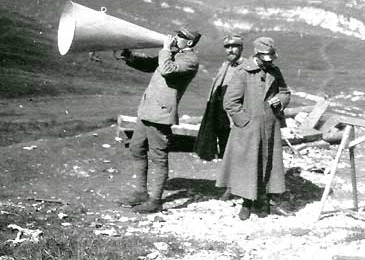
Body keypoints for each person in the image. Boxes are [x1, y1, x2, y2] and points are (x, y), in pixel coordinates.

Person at [116, 27, 201, 213]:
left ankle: (155, 200)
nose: (176, 38)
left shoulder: (190, 60)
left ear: (190, 43)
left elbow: (166, 69)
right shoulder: (172, 54)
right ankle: (140, 192)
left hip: (161, 114)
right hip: (147, 110)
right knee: (136, 147)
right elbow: (151, 65)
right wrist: (131, 58)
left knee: (158, 156)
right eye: (177, 35)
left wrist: (165, 49)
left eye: (181, 37)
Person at [216, 37, 291, 220]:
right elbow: (230, 103)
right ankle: (247, 203)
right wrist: (245, 122)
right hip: (249, 129)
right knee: (249, 167)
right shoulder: (243, 72)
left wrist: (280, 100)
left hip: (270, 127)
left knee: (269, 165)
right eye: (266, 57)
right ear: (257, 55)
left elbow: (285, 92)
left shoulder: (274, 70)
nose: (270, 61)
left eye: (272, 57)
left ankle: (265, 201)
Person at [194, 33, 244, 162]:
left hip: (235, 115)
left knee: (237, 150)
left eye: (234, 46)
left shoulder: (246, 67)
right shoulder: (225, 66)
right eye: (227, 47)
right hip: (219, 113)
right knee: (223, 146)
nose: (230, 50)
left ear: (241, 48)